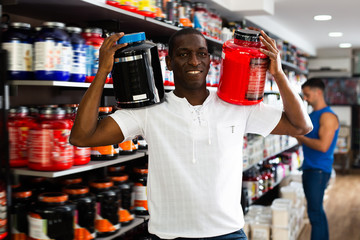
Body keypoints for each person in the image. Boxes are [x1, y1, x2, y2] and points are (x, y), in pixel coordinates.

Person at [70, 28, 312, 240]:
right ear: (169, 62)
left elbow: (301, 126)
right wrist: (103, 71)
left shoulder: (238, 106)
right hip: (170, 235)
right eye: (183, 54)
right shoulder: (149, 111)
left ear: (210, 60)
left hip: (228, 232)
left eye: (201, 53)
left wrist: (278, 74)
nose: (194, 61)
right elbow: (82, 137)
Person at [294, 78, 339, 240]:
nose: (305, 98)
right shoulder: (312, 115)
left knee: (314, 213)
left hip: (318, 171)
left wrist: (298, 135)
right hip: (310, 168)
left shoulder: (327, 116)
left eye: (307, 95)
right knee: (317, 212)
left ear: (318, 92)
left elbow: (323, 146)